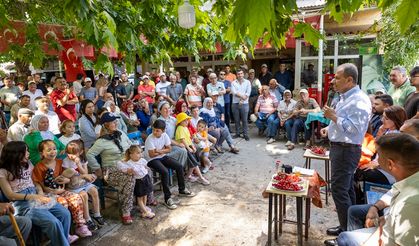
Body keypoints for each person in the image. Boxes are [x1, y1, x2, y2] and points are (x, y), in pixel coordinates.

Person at [333, 133, 419, 246]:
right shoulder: (408, 180)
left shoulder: (408, 203)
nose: (376, 159)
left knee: (344, 238)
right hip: (387, 231)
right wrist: (376, 210)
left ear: (390, 164)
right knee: (354, 212)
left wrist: (376, 235)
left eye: (379, 155)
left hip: (387, 239)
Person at [320, 63, 371, 237]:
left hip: (346, 150)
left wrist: (334, 116)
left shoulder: (359, 100)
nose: (333, 81)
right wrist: (330, 128)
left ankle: (346, 232)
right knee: (347, 189)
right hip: (340, 147)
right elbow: (343, 123)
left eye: (337, 78)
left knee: (339, 190)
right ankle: (349, 227)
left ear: (349, 80)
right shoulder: (344, 97)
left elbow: (355, 130)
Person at [0, 141, 75, 245]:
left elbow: (34, 182)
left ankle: (62, 241)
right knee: (53, 223)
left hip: (36, 195)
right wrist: (35, 196)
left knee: (65, 214)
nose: (28, 154)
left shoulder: (28, 164)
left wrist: (40, 192)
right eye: (25, 151)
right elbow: (10, 195)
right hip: (23, 204)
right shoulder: (3, 172)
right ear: (16, 154)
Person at [32, 139, 92, 237]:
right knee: (62, 202)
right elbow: (41, 185)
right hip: (49, 193)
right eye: (49, 150)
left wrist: (66, 181)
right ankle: (64, 233)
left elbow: (67, 178)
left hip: (62, 189)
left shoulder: (60, 162)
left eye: (54, 149)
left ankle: (80, 225)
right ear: (41, 153)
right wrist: (52, 190)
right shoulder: (39, 167)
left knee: (76, 198)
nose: (53, 152)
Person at [86, 112, 135, 225]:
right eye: (113, 122)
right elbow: (90, 155)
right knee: (129, 177)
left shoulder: (121, 133)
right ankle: (126, 212)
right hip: (111, 169)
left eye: (115, 121)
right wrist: (97, 169)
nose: (116, 123)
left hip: (126, 164)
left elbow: (130, 145)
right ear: (106, 125)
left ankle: (143, 201)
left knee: (145, 169)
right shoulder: (101, 141)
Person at [144, 120, 195, 210]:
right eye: (154, 130)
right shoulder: (150, 139)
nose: (154, 132)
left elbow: (169, 149)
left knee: (179, 166)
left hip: (162, 156)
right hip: (151, 160)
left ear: (163, 131)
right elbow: (151, 155)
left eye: (157, 130)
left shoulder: (165, 135)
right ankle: (167, 198)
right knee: (165, 172)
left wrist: (159, 151)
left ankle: (182, 190)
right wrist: (163, 150)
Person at [62, 140, 103, 229]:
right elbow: (69, 176)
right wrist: (83, 175)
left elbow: (85, 173)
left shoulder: (82, 159)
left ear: (80, 152)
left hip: (84, 183)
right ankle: (87, 218)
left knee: (94, 191)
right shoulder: (66, 161)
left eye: (74, 153)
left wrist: (78, 164)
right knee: (84, 195)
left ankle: (97, 214)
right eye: (69, 153)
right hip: (73, 185)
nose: (71, 155)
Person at [117, 145, 155, 219]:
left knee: (145, 194)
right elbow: (121, 166)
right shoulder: (129, 163)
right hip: (138, 182)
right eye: (137, 153)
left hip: (145, 178)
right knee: (140, 197)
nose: (140, 155)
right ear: (131, 155)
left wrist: (145, 170)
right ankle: (146, 212)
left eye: (140, 152)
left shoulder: (142, 160)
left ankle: (143, 209)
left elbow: (145, 166)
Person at [175, 113, 210, 183]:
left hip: (188, 146)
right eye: (184, 120)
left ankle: (187, 177)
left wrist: (193, 146)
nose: (187, 122)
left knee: (193, 162)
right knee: (194, 162)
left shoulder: (185, 128)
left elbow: (188, 139)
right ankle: (201, 178)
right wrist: (189, 148)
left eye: (187, 120)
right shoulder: (180, 128)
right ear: (180, 122)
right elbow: (183, 140)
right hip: (183, 147)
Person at [231, 69, 251, 141]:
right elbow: (234, 92)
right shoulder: (233, 83)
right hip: (235, 103)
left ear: (243, 74)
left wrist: (242, 100)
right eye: (238, 74)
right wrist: (242, 97)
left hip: (245, 103)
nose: (240, 75)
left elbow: (248, 93)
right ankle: (238, 133)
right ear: (236, 75)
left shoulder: (247, 82)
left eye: (241, 73)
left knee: (245, 120)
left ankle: (245, 134)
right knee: (236, 120)